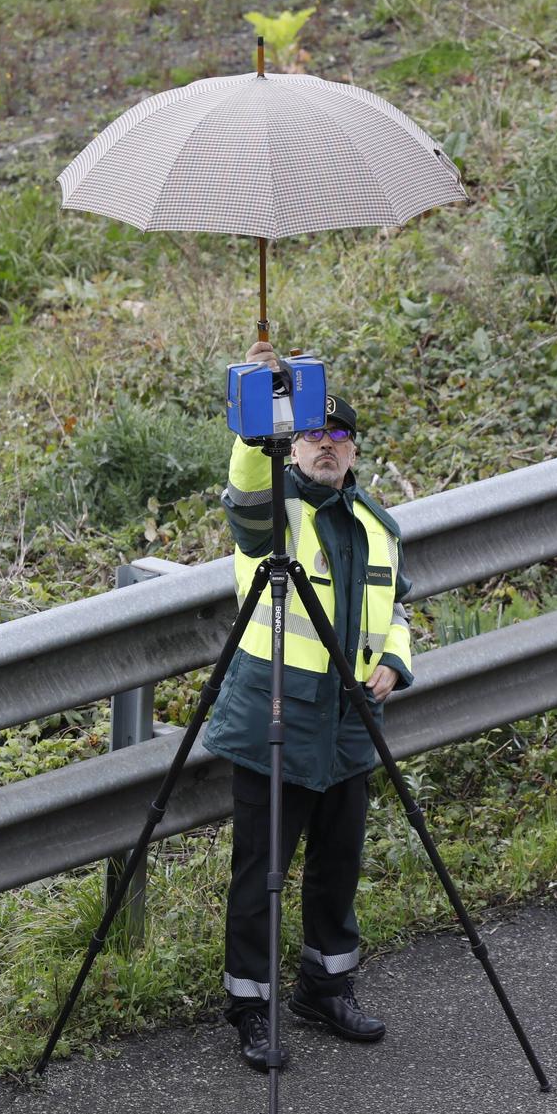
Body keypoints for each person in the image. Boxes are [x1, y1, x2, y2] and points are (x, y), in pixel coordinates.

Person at [201, 338, 415, 1073]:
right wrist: (255, 411)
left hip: (350, 723)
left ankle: (327, 987)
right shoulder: (273, 516)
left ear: (354, 451)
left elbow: (398, 610)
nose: (326, 447)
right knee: (261, 870)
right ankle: (251, 1009)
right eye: (313, 436)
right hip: (274, 719)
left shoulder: (378, 526)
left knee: (338, 864)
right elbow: (245, 498)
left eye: (339, 437)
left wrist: (394, 661)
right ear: (292, 448)